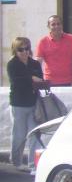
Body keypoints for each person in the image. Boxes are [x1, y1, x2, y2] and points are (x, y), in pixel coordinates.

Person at [7, 37, 45, 173]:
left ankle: (33, 164)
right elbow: (16, 82)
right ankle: (16, 161)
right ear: (15, 50)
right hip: (18, 104)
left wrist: (33, 80)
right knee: (19, 135)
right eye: (20, 49)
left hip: (33, 103)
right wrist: (31, 79)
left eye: (26, 48)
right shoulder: (12, 64)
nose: (24, 52)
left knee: (35, 134)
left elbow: (41, 79)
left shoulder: (34, 63)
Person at [36, 15, 72, 86]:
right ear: (48, 26)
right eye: (53, 24)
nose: (56, 26)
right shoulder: (43, 42)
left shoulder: (71, 39)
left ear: (62, 25)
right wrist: (39, 80)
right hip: (49, 82)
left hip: (69, 81)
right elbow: (38, 63)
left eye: (58, 24)